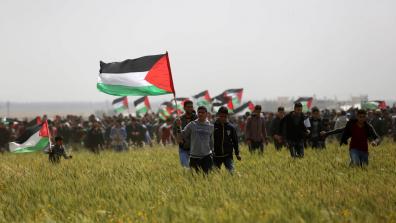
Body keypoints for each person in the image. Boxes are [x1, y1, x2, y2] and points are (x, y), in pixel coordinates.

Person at [177, 106, 214, 174]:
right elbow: (181, 136)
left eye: (202, 112)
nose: (200, 114)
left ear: (206, 114)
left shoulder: (211, 126)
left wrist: (213, 154)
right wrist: (178, 127)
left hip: (207, 157)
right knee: (194, 180)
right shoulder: (192, 125)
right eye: (199, 112)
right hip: (194, 157)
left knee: (208, 179)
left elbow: (212, 143)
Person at [213, 106, 241, 173]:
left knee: (232, 172)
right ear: (218, 115)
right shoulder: (213, 126)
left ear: (227, 116)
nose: (222, 118)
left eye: (224, 116)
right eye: (221, 116)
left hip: (227, 155)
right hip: (216, 155)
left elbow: (235, 141)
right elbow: (209, 140)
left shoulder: (231, 127)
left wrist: (237, 153)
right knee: (213, 173)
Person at [173, 100, 197, 168]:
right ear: (184, 108)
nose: (190, 108)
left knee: (195, 169)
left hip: (195, 149)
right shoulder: (178, 120)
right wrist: (178, 126)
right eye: (188, 107)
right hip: (183, 148)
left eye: (191, 107)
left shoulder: (197, 119)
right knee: (185, 167)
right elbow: (175, 134)